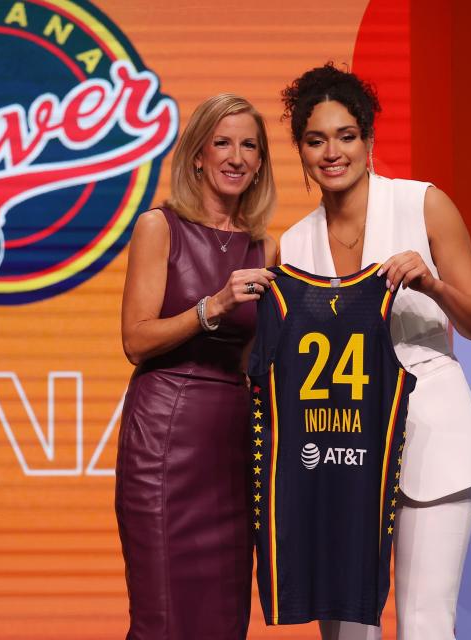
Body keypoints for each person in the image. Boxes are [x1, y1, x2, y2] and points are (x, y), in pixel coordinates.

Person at [278, 63, 471, 640]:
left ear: (369, 140)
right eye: (316, 139)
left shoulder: (423, 205)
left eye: (346, 136)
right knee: (347, 626)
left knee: (426, 623)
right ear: (300, 150)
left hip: (431, 426)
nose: (333, 152)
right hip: (339, 439)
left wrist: (431, 284)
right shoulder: (293, 243)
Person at [115, 93, 278, 639]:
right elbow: (136, 340)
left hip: (233, 445)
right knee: (164, 617)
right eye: (223, 143)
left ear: (260, 164)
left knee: (223, 619)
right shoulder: (159, 226)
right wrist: (214, 307)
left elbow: (259, 355)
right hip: (165, 439)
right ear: (198, 156)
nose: (236, 157)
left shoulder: (264, 247)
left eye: (249, 146)